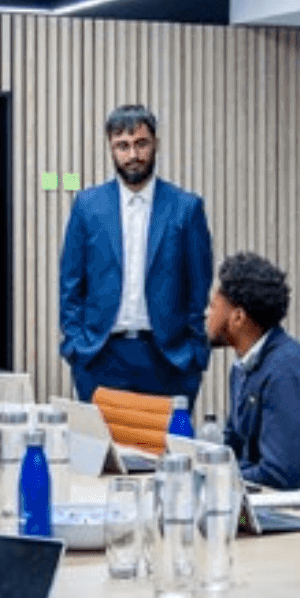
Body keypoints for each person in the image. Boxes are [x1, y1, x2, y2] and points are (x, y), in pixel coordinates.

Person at [58, 104, 212, 404]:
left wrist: (195, 354)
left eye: (141, 144)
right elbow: (70, 284)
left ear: (155, 144)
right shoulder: (87, 207)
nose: (133, 155)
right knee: (104, 451)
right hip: (100, 356)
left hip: (168, 359)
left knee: (165, 450)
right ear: (111, 149)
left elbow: (199, 287)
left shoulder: (186, 207)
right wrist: (75, 347)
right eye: (122, 146)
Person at [206, 251, 300, 494]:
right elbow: (233, 446)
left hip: (296, 516)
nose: (207, 315)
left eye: (213, 306)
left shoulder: (288, 372)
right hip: (253, 501)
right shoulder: (244, 364)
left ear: (238, 318)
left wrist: (214, 480)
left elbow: (280, 475)